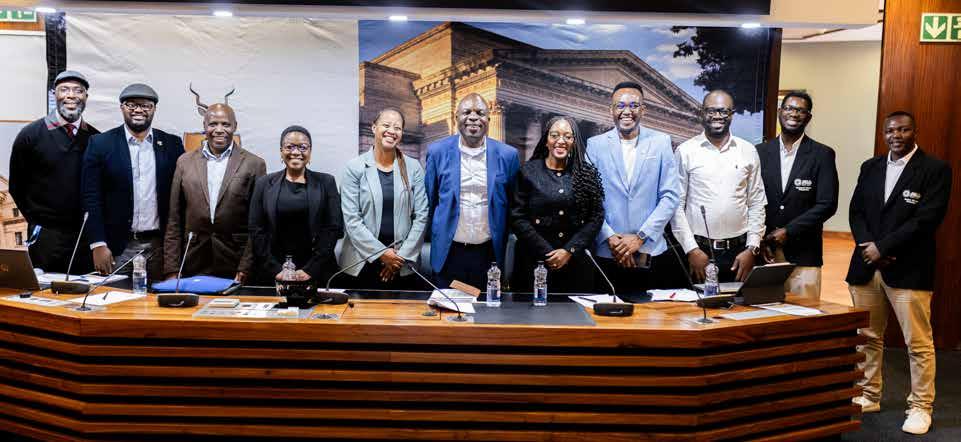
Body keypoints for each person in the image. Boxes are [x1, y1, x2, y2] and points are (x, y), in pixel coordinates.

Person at [847, 111, 951, 435]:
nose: (896, 135)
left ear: (914, 132)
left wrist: (884, 247)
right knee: (867, 336)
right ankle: (869, 394)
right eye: (891, 130)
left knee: (917, 344)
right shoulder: (870, 166)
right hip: (866, 266)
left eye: (903, 130)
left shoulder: (934, 169)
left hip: (908, 268)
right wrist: (869, 247)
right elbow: (856, 211)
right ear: (884, 133)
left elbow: (927, 219)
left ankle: (920, 407)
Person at [585, 81, 680, 294]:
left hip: (650, 252)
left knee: (653, 314)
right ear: (611, 110)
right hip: (607, 252)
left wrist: (640, 238)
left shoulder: (661, 142)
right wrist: (610, 237)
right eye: (620, 105)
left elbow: (670, 196)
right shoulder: (595, 145)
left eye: (633, 105)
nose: (627, 111)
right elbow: (589, 198)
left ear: (643, 110)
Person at [81, 83, 185, 278]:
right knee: (114, 296)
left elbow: (182, 197)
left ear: (154, 109)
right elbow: (90, 197)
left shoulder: (172, 144)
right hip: (117, 248)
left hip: (160, 247)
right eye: (131, 104)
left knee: (161, 297)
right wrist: (97, 243)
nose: (138, 110)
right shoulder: (100, 144)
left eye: (145, 105)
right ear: (122, 108)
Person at [163, 99, 266, 282]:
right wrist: (172, 269)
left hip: (235, 263)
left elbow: (258, 223)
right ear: (204, 126)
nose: (219, 129)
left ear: (235, 126)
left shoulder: (254, 164)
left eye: (225, 124)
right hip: (193, 261)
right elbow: (174, 220)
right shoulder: (184, 162)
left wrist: (246, 267)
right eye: (213, 124)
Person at [424, 93, 520, 289]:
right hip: (448, 253)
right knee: (447, 307)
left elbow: (513, 205)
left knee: (486, 308)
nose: (473, 117)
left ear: (489, 119)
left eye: (480, 113)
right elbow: (430, 201)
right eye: (467, 112)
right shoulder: (437, 152)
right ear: (456, 117)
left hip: (489, 255)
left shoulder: (508, 155)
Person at [9, 70, 100, 274]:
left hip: (84, 240)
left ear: (86, 97)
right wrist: (39, 222)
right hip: (45, 239)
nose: (71, 95)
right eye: (64, 90)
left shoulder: (96, 139)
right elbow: (16, 186)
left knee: (83, 290)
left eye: (78, 91)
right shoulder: (30, 135)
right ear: (54, 95)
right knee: (45, 290)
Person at [671, 90, 766, 283]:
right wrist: (691, 249)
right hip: (699, 253)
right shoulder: (686, 151)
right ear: (702, 113)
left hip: (740, 254)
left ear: (732, 114)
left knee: (737, 302)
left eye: (723, 111)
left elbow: (756, 203)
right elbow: (676, 205)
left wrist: (752, 248)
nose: (717, 116)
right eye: (711, 111)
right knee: (695, 303)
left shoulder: (748, 151)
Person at [756, 91, 839, 300]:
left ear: (808, 117)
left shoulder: (822, 154)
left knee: (804, 314)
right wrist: (760, 239)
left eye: (801, 111)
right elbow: (751, 200)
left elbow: (827, 204)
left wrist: (788, 230)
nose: (794, 114)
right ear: (779, 112)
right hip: (765, 252)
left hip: (804, 255)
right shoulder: (759, 152)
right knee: (765, 313)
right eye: (789, 108)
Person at [511, 116, 604, 293]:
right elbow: (517, 217)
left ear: (574, 142)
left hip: (576, 265)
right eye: (555, 135)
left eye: (568, 137)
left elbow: (596, 217)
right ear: (546, 140)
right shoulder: (528, 172)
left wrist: (569, 250)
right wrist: (548, 252)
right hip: (533, 262)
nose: (561, 141)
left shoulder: (586, 174)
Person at [339, 108, 428, 289]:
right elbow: (352, 220)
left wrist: (398, 258)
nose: (392, 131)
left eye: (397, 128)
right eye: (386, 125)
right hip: (360, 263)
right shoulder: (354, 168)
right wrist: (382, 254)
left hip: (402, 264)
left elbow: (421, 215)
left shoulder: (414, 167)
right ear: (374, 128)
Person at [249, 125, 343, 285]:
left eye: (302, 147)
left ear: (310, 151)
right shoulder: (264, 184)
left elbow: (333, 228)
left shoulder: (326, 182)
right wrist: (275, 270)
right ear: (281, 151)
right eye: (289, 147)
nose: (296, 152)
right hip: (272, 272)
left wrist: (310, 269)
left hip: (317, 271)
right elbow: (256, 229)